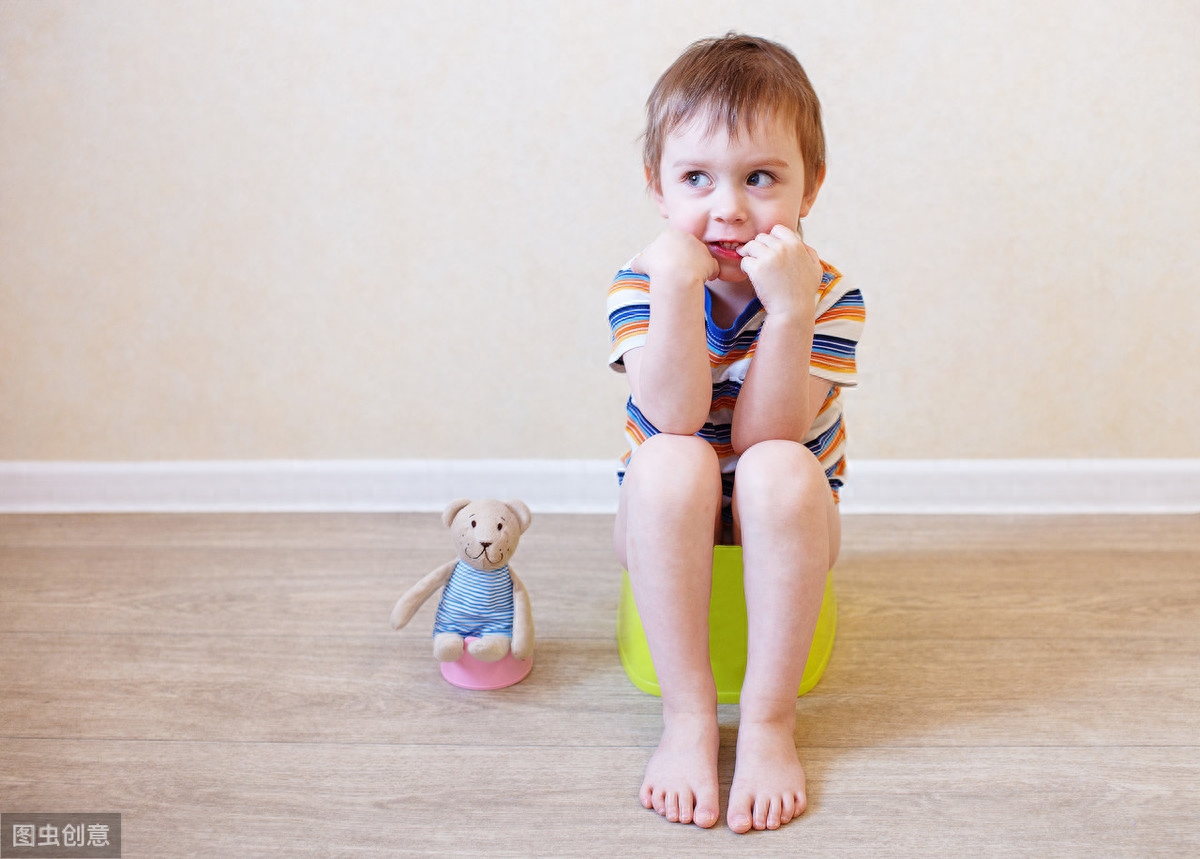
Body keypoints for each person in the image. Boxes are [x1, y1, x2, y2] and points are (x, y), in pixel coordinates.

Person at [607, 33, 866, 833]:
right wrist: (676, 293)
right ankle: (687, 716)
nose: (728, 207)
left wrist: (787, 311)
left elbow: (767, 436)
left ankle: (768, 720)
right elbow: (675, 417)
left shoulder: (826, 291)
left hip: (785, 511)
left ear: (809, 186)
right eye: (697, 179)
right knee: (670, 460)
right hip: (664, 516)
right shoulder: (642, 281)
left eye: (760, 177)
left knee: (781, 468)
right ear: (657, 187)